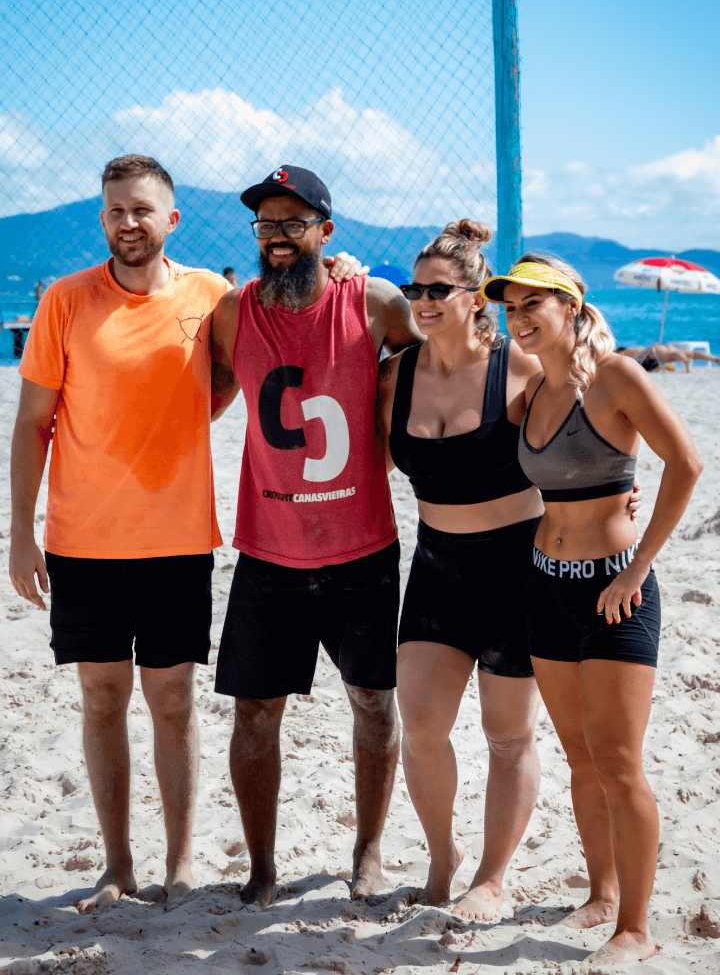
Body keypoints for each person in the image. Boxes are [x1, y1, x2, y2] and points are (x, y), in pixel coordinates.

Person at [8, 155, 364, 915]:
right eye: (114, 211)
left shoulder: (210, 295)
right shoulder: (65, 302)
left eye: (142, 209)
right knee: (101, 699)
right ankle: (116, 865)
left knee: (172, 702)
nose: (127, 222)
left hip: (177, 541)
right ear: (101, 220)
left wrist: (340, 266)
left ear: (171, 220)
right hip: (82, 542)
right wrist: (19, 534)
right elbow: (33, 423)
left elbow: (276, 339)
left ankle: (177, 865)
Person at [376, 223, 641, 921]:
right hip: (434, 570)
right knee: (423, 723)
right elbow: (367, 465)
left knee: (507, 734)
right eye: (415, 289)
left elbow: (589, 439)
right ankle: (444, 859)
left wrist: (620, 492)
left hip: (515, 572)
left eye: (439, 289)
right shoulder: (394, 376)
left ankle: (491, 878)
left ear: (473, 299)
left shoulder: (515, 371)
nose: (423, 301)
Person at [211, 165, 424, 909]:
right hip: (268, 551)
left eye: (292, 224)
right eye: (265, 225)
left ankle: (367, 852)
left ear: (326, 233)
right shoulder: (234, 313)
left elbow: (448, 362)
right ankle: (262, 867)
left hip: (362, 548)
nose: (276, 238)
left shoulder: (373, 301)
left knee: (372, 703)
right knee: (254, 714)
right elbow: (199, 398)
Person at [482, 253, 702, 966]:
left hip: (617, 590)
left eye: (531, 307)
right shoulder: (529, 393)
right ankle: (603, 893)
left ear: (571, 307)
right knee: (579, 757)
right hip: (545, 584)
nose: (517, 321)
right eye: (509, 310)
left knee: (619, 763)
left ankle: (634, 929)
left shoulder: (617, 378)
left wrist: (638, 565)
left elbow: (687, 464)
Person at [617, 343, 720, 373]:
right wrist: (670, 367)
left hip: (652, 351)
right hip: (658, 348)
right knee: (691, 354)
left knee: (672, 355)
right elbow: (663, 366)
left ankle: (685, 361)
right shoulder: (631, 350)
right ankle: (715, 359)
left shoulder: (622, 354)